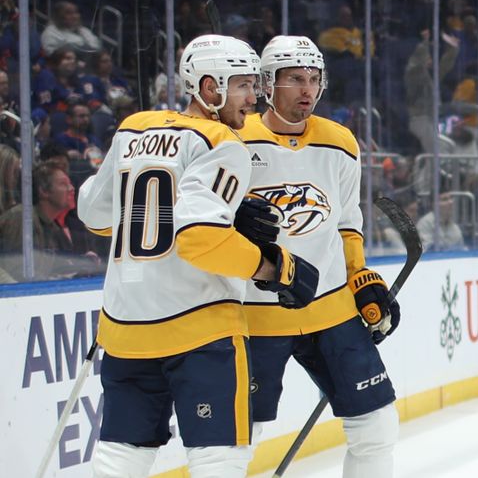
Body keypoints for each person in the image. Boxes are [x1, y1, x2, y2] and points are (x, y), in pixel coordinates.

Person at [77, 34, 319, 478]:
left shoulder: (133, 127)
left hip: (125, 327)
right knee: (219, 460)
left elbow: (94, 214)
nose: (254, 97)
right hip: (199, 330)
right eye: (243, 85)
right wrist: (276, 268)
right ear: (210, 88)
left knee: (120, 460)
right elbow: (201, 241)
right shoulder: (223, 143)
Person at [238, 35, 401, 477]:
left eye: (314, 79)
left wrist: (359, 275)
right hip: (255, 314)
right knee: (231, 446)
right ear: (268, 84)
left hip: (330, 308)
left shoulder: (340, 142)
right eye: (294, 79)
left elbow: (347, 222)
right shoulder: (233, 140)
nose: (307, 90)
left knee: (378, 426)